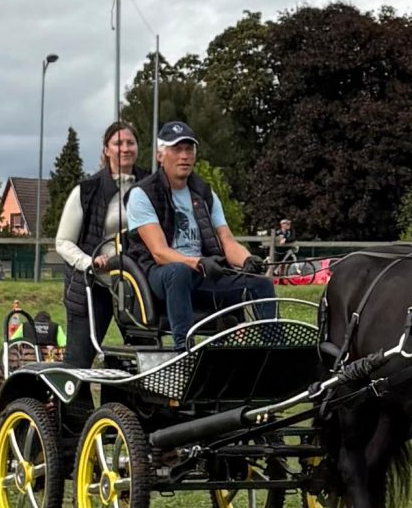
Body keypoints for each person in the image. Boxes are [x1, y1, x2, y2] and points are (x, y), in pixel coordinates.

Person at [125, 121, 275, 351]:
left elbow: (227, 241)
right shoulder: (142, 194)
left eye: (189, 149)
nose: (184, 156)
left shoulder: (205, 193)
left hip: (203, 273)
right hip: (160, 276)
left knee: (261, 285)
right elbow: (159, 252)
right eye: (177, 150)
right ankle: (183, 350)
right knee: (179, 272)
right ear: (160, 155)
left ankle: (274, 350)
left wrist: (247, 260)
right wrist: (198, 262)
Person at [56, 121, 149, 367]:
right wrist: (89, 263)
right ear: (107, 149)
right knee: (79, 361)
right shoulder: (86, 191)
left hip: (136, 287)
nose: (125, 148)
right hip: (93, 285)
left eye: (130, 143)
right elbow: (63, 242)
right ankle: (75, 406)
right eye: (118, 143)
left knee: (147, 360)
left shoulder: (152, 185)